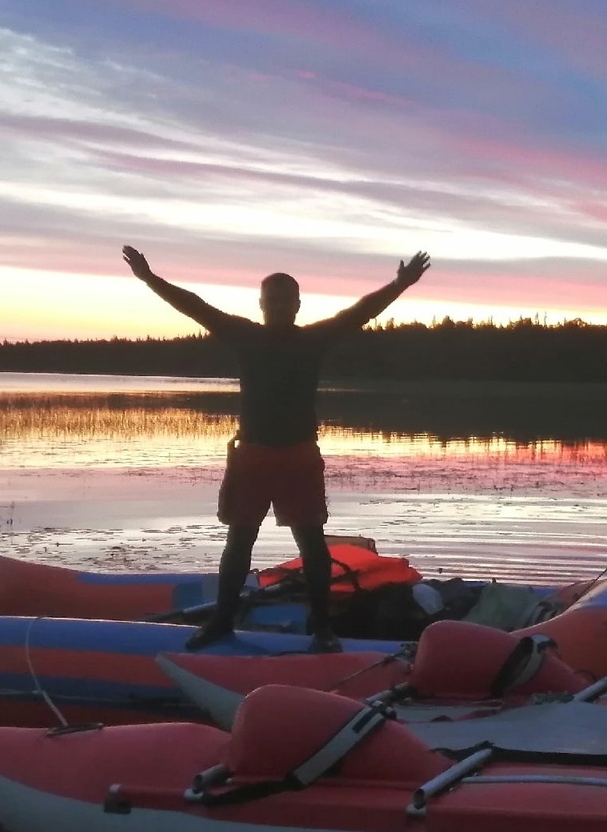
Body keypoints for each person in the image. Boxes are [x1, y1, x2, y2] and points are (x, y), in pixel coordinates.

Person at [122, 244, 431, 651]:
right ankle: (221, 622)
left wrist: (399, 284)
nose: (280, 306)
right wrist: (150, 278)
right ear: (262, 304)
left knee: (312, 544)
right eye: (273, 300)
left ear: (297, 305)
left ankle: (322, 629)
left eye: (287, 300)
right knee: (239, 542)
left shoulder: (315, 339)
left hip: (298, 457)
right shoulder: (244, 335)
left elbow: (361, 311)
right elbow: (195, 306)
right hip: (252, 455)